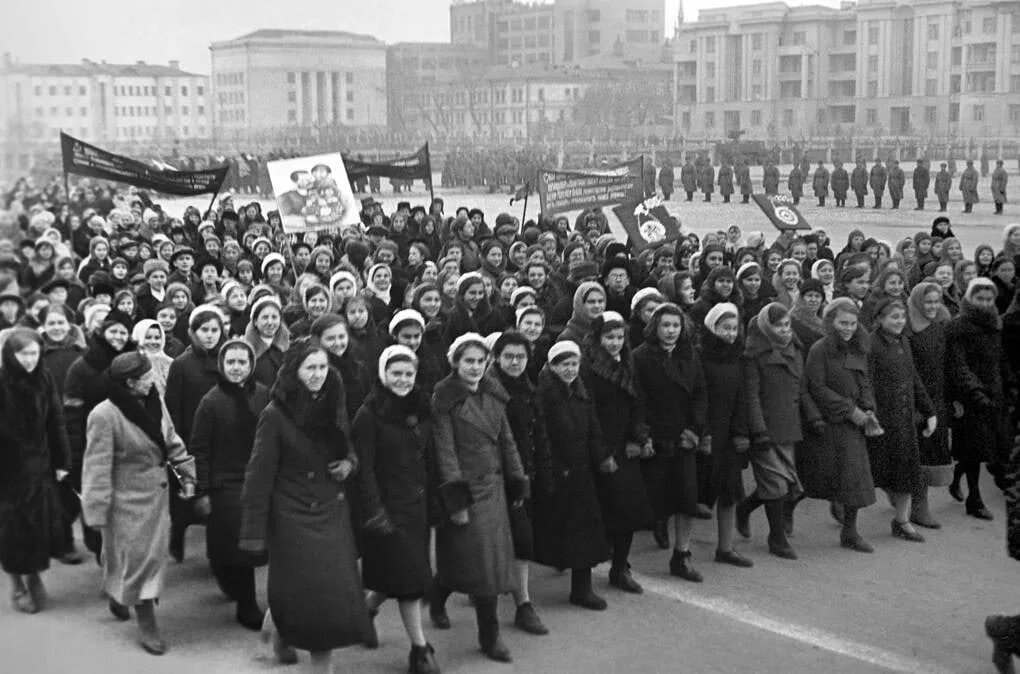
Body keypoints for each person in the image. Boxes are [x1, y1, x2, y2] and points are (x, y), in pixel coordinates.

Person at [240, 339, 374, 673]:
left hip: (331, 510)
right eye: (310, 368)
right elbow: (258, 477)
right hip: (292, 515)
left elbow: (346, 444)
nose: (317, 375)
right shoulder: (274, 414)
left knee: (326, 594)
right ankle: (313, 660)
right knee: (305, 592)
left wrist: (349, 464)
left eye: (322, 367)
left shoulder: (332, 400)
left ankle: (290, 637)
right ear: (294, 371)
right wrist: (253, 533)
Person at [82, 352, 197, 654]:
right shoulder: (104, 416)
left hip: (157, 498)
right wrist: (96, 511)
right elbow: (96, 466)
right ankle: (147, 621)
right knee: (140, 562)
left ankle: (119, 594)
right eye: (147, 377)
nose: (153, 380)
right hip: (125, 503)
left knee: (147, 558)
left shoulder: (154, 401)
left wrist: (187, 474)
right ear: (130, 383)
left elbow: (171, 441)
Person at [429, 333, 527, 663]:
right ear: (455, 363)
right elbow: (445, 452)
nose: (474, 367)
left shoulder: (494, 395)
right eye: (468, 361)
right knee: (476, 564)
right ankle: (487, 634)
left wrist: (516, 479)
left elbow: (507, 442)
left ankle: (446, 601)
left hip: (495, 488)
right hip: (467, 489)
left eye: (480, 361)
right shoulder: (444, 399)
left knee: (487, 564)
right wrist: (455, 499)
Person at [353, 345, 441, 674]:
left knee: (403, 576)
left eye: (408, 374)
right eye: (396, 373)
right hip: (388, 512)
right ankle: (419, 650)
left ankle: (366, 610)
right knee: (410, 583)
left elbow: (429, 454)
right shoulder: (369, 413)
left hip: (417, 506)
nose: (403, 380)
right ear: (383, 374)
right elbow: (366, 470)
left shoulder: (422, 406)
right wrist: (375, 512)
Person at [189, 338, 271, 631]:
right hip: (226, 484)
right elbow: (199, 449)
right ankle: (246, 604)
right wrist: (200, 490)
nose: (237, 368)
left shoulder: (263, 395)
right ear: (222, 366)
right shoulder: (211, 402)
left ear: (251, 365)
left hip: (259, 479)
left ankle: (238, 589)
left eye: (242, 362)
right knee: (237, 546)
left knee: (251, 546)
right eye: (231, 362)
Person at [534, 339, 614, 608]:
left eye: (574, 364)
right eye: (564, 365)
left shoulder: (580, 391)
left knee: (585, 532)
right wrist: (552, 470)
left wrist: (601, 455)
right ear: (552, 366)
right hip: (561, 471)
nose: (570, 370)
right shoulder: (544, 396)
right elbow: (542, 437)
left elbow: (593, 427)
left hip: (582, 472)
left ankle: (581, 588)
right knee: (563, 530)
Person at [632, 303, 707, 581]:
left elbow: (700, 394)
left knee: (686, 498)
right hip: (655, 437)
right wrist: (643, 435)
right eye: (665, 325)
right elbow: (638, 400)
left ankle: (681, 555)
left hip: (683, 437)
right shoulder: (640, 357)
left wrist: (694, 430)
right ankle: (623, 559)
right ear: (655, 327)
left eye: (676, 325)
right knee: (649, 500)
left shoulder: (690, 355)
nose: (671, 331)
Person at [800, 298, 878, 553]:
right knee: (816, 478)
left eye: (853, 323)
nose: (848, 328)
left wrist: (867, 408)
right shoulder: (819, 349)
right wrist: (848, 410)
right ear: (831, 322)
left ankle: (850, 531)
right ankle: (784, 508)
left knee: (854, 477)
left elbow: (864, 380)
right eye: (842, 323)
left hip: (853, 423)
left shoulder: (858, 347)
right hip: (827, 422)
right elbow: (816, 387)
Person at [0, 328, 70, 614]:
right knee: (12, 529)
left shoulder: (44, 378)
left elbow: (56, 419)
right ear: (10, 355)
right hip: (7, 469)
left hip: (39, 464)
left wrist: (63, 461)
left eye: (33, 353)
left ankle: (34, 573)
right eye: (23, 354)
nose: (29, 360)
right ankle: (16, 580)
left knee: (39, 524)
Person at [487, 330, 551, 635]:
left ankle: (523, 605)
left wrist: (541, 470)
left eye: (521, 357)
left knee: (522, 541)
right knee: (484, 545)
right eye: (509, 356)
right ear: (496, 358)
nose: (515, 362)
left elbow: (537, 433)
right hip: (491, 478)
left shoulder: (529, 388)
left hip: (521, 475)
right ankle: (442, 590)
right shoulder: (486, 391)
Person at [738, 303, 810, 559]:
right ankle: (776, 537)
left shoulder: (796, 350)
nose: (784, 330)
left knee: (787, 483)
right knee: (776, 484)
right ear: (767, 327)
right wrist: (759, 431)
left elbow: (800, 389)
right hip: (766, 430)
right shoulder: (754, 355)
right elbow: (752, 397)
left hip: (789, 427)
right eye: (779, 325)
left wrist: (813, 416)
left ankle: (745, 507)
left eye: (787, 325)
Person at [866, 298, 937, 543]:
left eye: (901, 317)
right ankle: (843, 507)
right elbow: (866, 382)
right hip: (880, 420)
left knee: (907, 472)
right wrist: (869, 413)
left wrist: (929, 411)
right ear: (879, 319)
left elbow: (913, 378)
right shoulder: (871, 344)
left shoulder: (903, 341)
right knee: (872, 471)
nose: (899, 322)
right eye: (893, 317)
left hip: (904, 419)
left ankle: (902, 521)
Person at [945, 278, 1010, 520]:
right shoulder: (958, 327)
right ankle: (974, 499)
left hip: (995, 394)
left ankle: (955, 477)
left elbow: (1000, 360)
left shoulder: (995, 323)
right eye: (979, 298)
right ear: (969, 299)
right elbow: (958, 365)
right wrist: (975, 392)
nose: (984, 303)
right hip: (969, 397)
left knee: (991, 448)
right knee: (974, 448)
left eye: (988, 299)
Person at [164, 304, 225, 562]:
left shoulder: (226, 359)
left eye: (215, 330)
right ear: (193, 332)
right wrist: (177, 444)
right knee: (186, 498)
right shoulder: (181, 365)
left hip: (222, 440)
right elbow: (173, 408)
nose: (210, 335)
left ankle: (217, 550)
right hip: (190, 439)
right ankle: (177, 536)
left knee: (218, 500)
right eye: (204, 330)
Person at [698, 303, 753, 568]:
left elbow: (743, 397)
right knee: (693, 493)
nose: (730, 334)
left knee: (729, 492)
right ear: (712, 327)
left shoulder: (739, 357)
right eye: (725, 328)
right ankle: (679, 549)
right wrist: (702, 431)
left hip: (730, 434)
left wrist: (741, 431)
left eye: (734, 328)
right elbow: (697, 396)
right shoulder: (700, 355)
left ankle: (725, 547)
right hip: (706, 433)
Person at [905, 282, 953, 529]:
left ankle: (915, 503)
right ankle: (917, 506)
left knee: (930, 453)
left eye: (936, 301)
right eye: (928, 301)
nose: (933, 306)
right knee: (916, 453)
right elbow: (908, 371)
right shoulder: (907, 331)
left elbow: (947, 366)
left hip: (937, 398)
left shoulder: (939, 328)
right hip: (914, 400)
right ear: (916, 302)